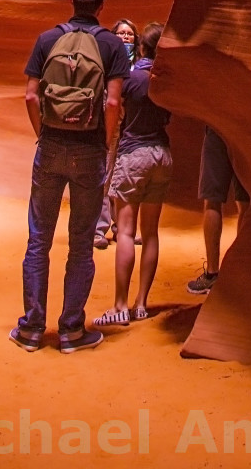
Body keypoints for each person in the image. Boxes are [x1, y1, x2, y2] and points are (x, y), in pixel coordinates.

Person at [10, 0, 129, 353]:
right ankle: (71, 331)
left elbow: (30, 95)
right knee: (81, 244)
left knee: (38, 241)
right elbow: (112, 103)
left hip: (50, 148)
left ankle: (31, 329)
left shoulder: (47, 40)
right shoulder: (112, 45)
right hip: (89, 151)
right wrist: (105, 141)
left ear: (71, 0)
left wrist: (42, 133)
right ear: (101, 6)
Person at [94, 20, 171, 326]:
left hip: (133, 153)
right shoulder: (166, 80)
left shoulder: (131, 78)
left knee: (125, 230)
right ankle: (142, 303)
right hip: (162, 154)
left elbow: (114, 105)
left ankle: (120, 307)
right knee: (150, 233)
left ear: (142, 46)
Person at [187, 125, 249, 294]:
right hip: (246, 131)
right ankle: (240, 270)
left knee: (212, 201)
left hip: (217, 129)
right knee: (245, 203)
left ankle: (212, 274)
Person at [94, 19, 139, 249]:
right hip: (112, 124)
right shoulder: (107, 60)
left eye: (129, 34)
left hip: (131, 129)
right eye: (121, 33)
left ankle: (121, 227)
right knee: (105, 175)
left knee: (122, 178)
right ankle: (99, 229)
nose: (125, 38)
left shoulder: (138, 65)